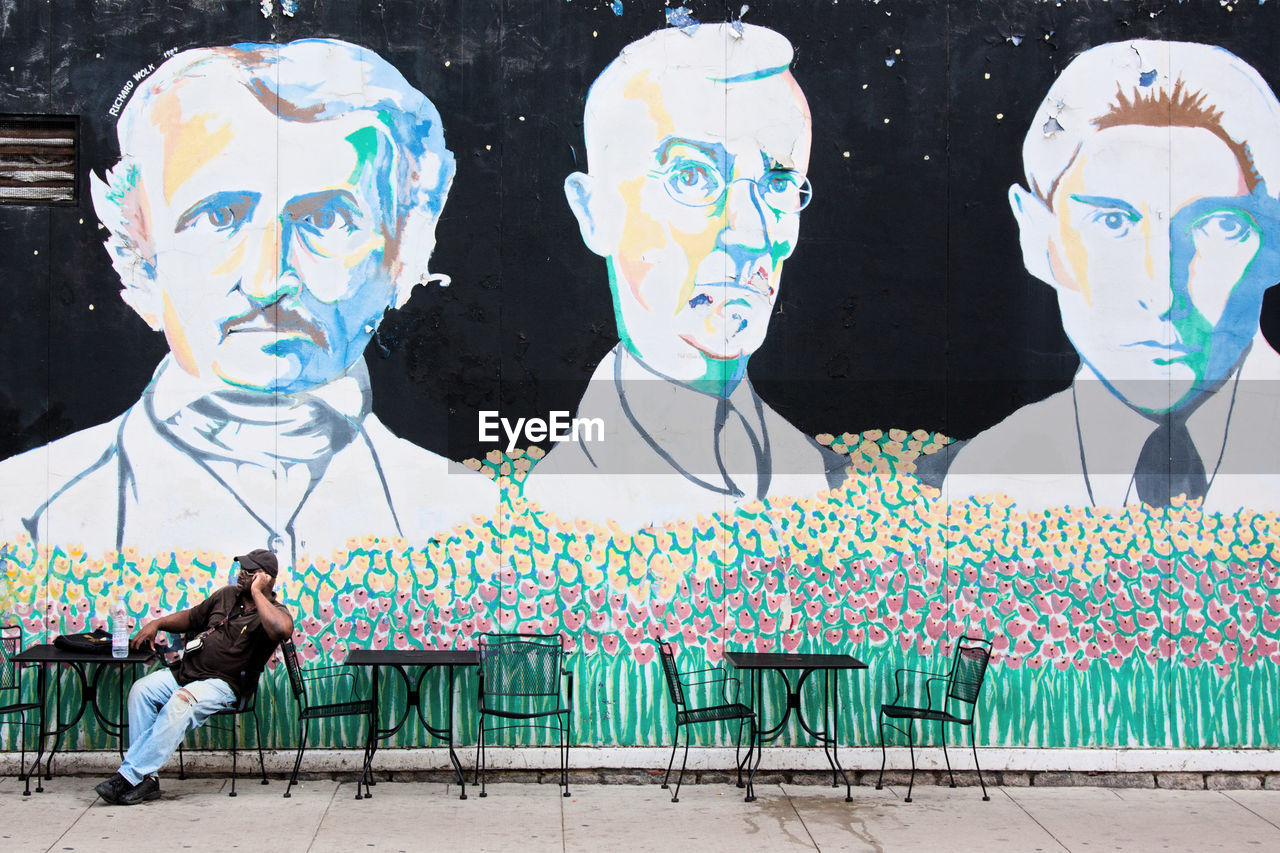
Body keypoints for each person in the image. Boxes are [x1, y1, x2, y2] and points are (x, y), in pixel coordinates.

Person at [0, 38, 495, 561]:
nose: (267, 280)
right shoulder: (20, 513)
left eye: (325, 220)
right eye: (218, 218)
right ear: (141, 253)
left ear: (406, 250)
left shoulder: (479, 524)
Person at [522, 23, 846, 528]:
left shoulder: (820, 476)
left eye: (780, 182)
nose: (754, 232)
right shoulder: (558, 502)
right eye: (692, 177)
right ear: (595, 213)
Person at [943, 40, 1280, 512]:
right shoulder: (991, 479)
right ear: (1039, 239)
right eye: (1113, 223)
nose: (1162, 292)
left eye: (1219, 226)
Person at [94, 549, 293, 805]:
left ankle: (129, 776)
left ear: (265, 578)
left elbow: (281, 630)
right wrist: (158, 624)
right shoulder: (226, 595)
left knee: (180, 702)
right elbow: (192, 617)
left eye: (249, 572)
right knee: (141, 691)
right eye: (241, 569)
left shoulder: (274, 612)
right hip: (187, 672)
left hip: (225, 684)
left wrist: (257, 592)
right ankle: (147, 779)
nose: (241, 574)